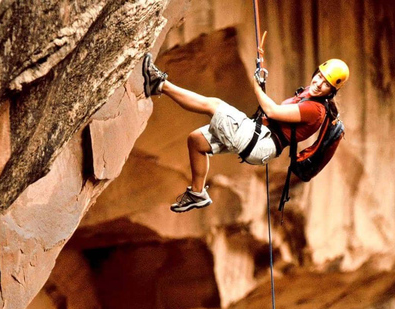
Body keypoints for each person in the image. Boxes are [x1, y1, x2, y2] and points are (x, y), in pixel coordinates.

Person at [142, 53, 349, 213]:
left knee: (213, 104)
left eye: (326, 84)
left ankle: (159, 84)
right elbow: (277, 115)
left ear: (331, 91)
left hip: (262, 143)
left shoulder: (316, 110)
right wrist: (261, 84)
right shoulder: (309, 94)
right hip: (258, 136)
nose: (319, 84)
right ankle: (197, 193)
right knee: (196, 141)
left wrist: (257, 87)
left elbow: (273, 111)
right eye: (320, 77)